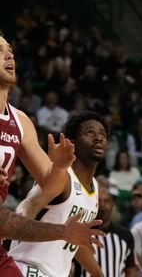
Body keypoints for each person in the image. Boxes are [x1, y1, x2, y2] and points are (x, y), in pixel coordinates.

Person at [0, 37, 105, 276]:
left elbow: (51, 185)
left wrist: (59, 167)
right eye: (0, 51)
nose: (9, 56)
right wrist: (64, 232)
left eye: (11, 51)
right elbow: (9, 220)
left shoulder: (20, 122)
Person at [10, 111, 108, 277]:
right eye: (89, 133)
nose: (98, 138)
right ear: (72, 143)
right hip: (26, 268)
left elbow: (73, 239)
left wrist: (98, 274)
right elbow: (29, 205)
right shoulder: (60, 176)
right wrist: (14, 222)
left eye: (102, 134)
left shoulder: (95, 188)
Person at [76, 186, 136, 277]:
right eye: (98, 201)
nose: (102, 204)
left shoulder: (125, 235)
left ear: (113, 205)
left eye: (106, 201)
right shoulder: (80, 234)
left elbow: (130, 269)